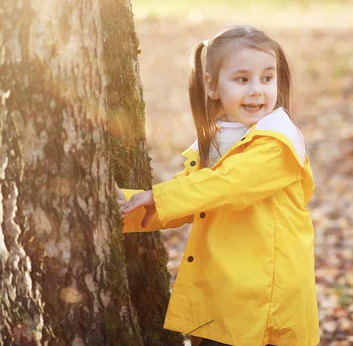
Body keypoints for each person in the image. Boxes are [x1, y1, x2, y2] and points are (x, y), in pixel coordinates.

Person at [115, 25, 320, 346]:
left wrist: (156, 195)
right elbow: (189, 200)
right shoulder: (214, 141)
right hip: (221, 295)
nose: (257, 90)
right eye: (242, 79)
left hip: (265, 300)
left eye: (267, 78)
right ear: (212, 86)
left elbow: (226, 185)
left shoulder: (278, 143)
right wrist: (122, 208)